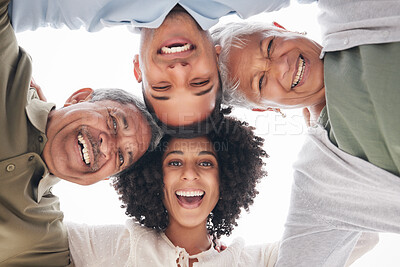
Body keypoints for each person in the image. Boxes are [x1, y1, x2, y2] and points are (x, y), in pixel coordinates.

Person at [210, 2, 400, 265]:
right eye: (261, 82)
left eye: (270, 46)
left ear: (280, 27)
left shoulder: (347, 11)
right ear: (263, 108)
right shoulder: (320, 182)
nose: (281, 67)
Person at [66, 117, 377, 266]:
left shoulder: (254, 261)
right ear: (153, 178)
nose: (190, 173)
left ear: (226, 179)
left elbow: (360, 231)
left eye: (205, 162)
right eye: (175, 162)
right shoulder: (116, 245)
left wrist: (321, 130)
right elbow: (32, 232)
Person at [0, 0, 161, 264]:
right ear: (79, 98)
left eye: (121, 157)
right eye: (113, 123)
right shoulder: (9, 71)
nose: (107, 147)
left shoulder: (42, 242)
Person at [8, 0, 290, 131]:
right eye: (198, 82)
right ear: (217, 59)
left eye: (162, 86)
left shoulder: (71, 8)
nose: (179, 69)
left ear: (137, 70)